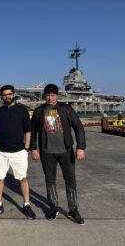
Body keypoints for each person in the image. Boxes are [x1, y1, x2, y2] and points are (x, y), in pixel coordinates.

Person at [30, 84, 86, 225]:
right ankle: (53, 207)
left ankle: (73, 209)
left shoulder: (66, 109)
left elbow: (78, 126)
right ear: (44, 96)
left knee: (70, 180)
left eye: (53, 95)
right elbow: (32, 132)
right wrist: (33, 148)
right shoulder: (38, 111)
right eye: (48, 95)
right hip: (47, 152)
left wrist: (80, 147)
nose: (50, 97)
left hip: (66, 151)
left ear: (57, 96)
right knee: (50, 181)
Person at [0, 85, 36, 219]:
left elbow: (28, 131)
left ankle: (26, 205)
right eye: (4, 95)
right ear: (2, 96)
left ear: (14, 94)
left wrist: (26, 148)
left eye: (9, 94)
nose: (7, 97)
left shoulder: (22, 110)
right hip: (0, 152)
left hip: (18, 151)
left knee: (23, 178)